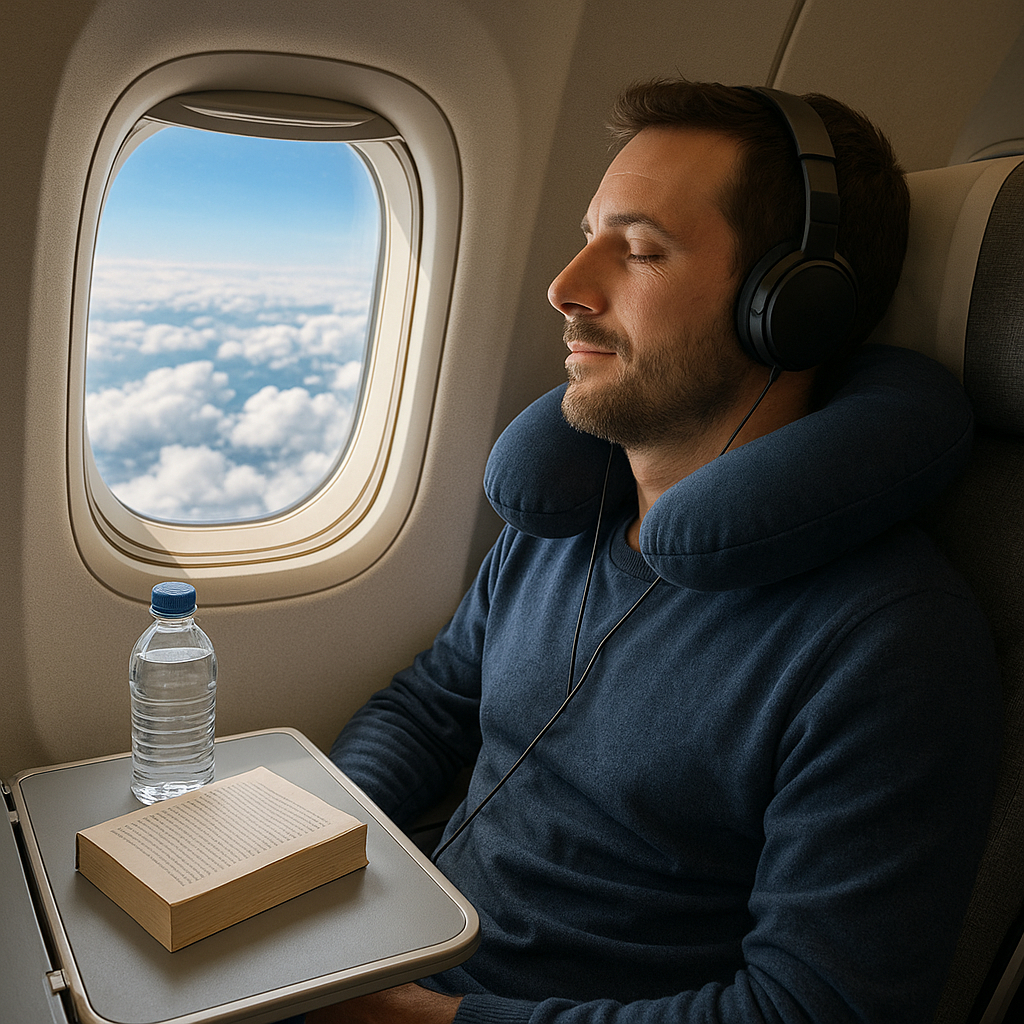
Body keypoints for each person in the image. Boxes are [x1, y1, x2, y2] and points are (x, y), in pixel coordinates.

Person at [301, 80, 1002, 1024]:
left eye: (637, 250)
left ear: (789, 307)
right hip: (395, 966)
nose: (567, 287)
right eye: (590, 235)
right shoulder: (564, 523)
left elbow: (814, 1009)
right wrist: (310, 861)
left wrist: (414, 1020)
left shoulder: (887, 644)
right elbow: (432, 707)